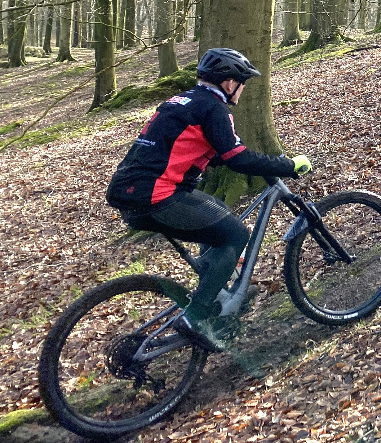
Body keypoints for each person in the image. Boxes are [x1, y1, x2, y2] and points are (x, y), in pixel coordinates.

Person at [106, 48, 312, 352]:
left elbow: (188, 145)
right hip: (160, 195)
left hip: (128, 193)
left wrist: (216, 158)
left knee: (217, 214)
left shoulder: (180, 101)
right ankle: (196, 318)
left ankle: (218, 290)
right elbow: (236, 157)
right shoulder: (215, 108)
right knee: (236, 233)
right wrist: (286, 166)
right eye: (242, 82)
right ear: (229, 83)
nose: (242, 88)